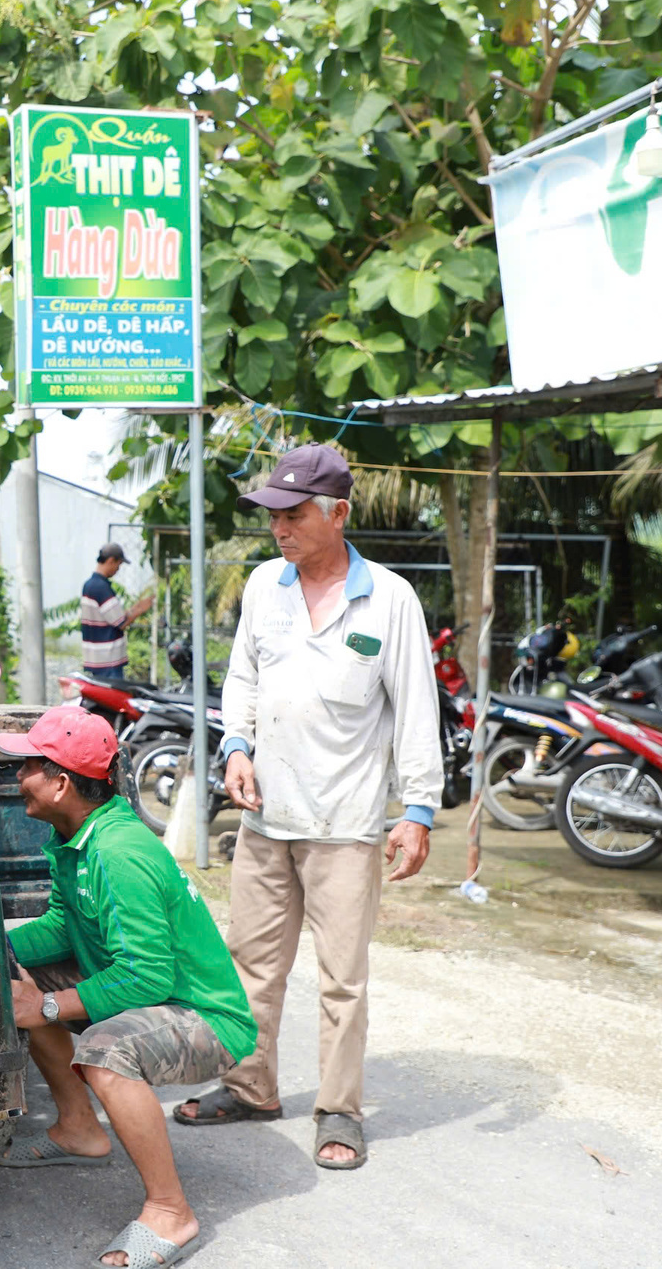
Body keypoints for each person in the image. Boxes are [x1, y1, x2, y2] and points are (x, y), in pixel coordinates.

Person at [171, 443, 440, 1172]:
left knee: (341, 979)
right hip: (266, 819)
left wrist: (417, 810)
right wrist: (235, 748)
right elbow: (243, 679)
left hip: (347, 826)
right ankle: (252, 1086)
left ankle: (339, 1109)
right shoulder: (266, 586)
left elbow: (418, 709)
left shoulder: (388, 599)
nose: (280, 529)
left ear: (338, 514)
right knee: (251, 964)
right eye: (273, 516)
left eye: (294, 515)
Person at [0, 709, 255, 1269]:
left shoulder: (118, 851)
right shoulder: (77, 837)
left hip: (205, 1018)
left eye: (29, 766)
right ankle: (80, 1131)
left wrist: (49, 1005)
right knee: (11, 979)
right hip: (154, 994)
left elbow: (146, 976)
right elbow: (65, 927)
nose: (18, 779)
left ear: (61, 782)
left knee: (106, 1051)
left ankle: (170, 1211)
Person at [80, 543, 155, 682]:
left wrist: (137, 607)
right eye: (118, 565)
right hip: (107, 659)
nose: (118, 569)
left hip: (96, 658)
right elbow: (120, 622)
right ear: (110, 561)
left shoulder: (89, 585)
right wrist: (142, 609)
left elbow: (112, 616)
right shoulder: (101, 588)